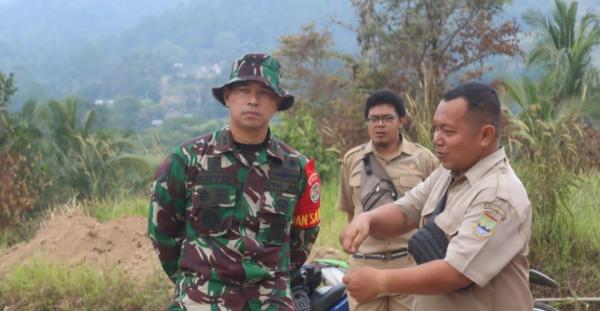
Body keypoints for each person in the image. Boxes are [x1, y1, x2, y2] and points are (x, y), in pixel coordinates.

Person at [148, 53, 321, 310]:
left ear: (276, 103)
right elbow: (162, 232)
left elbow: (302, 239)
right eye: (243, 90)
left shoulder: (295, 167)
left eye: (264, 93)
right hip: (202, 301)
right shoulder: (187, 160)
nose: (253, 100)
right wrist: (196, 281)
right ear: (227, 98)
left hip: (269, 301)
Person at [340, 82, 533, 311]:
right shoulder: (447, 173)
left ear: (485, 135)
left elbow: (456, 272)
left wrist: (380, 281)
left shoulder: (498, 196)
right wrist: (367, 220)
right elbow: (406, 211)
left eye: (448, 131)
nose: (437, 138)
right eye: (436, 128)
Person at [338, 89, 438, 311]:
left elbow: (434, 213)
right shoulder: (353, 160)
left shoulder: (424, 159)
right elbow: (351, 213)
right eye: (373, 119)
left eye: (387, 118)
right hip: (364, 264)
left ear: (401, 120)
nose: (379, 124)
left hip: (409, 265)